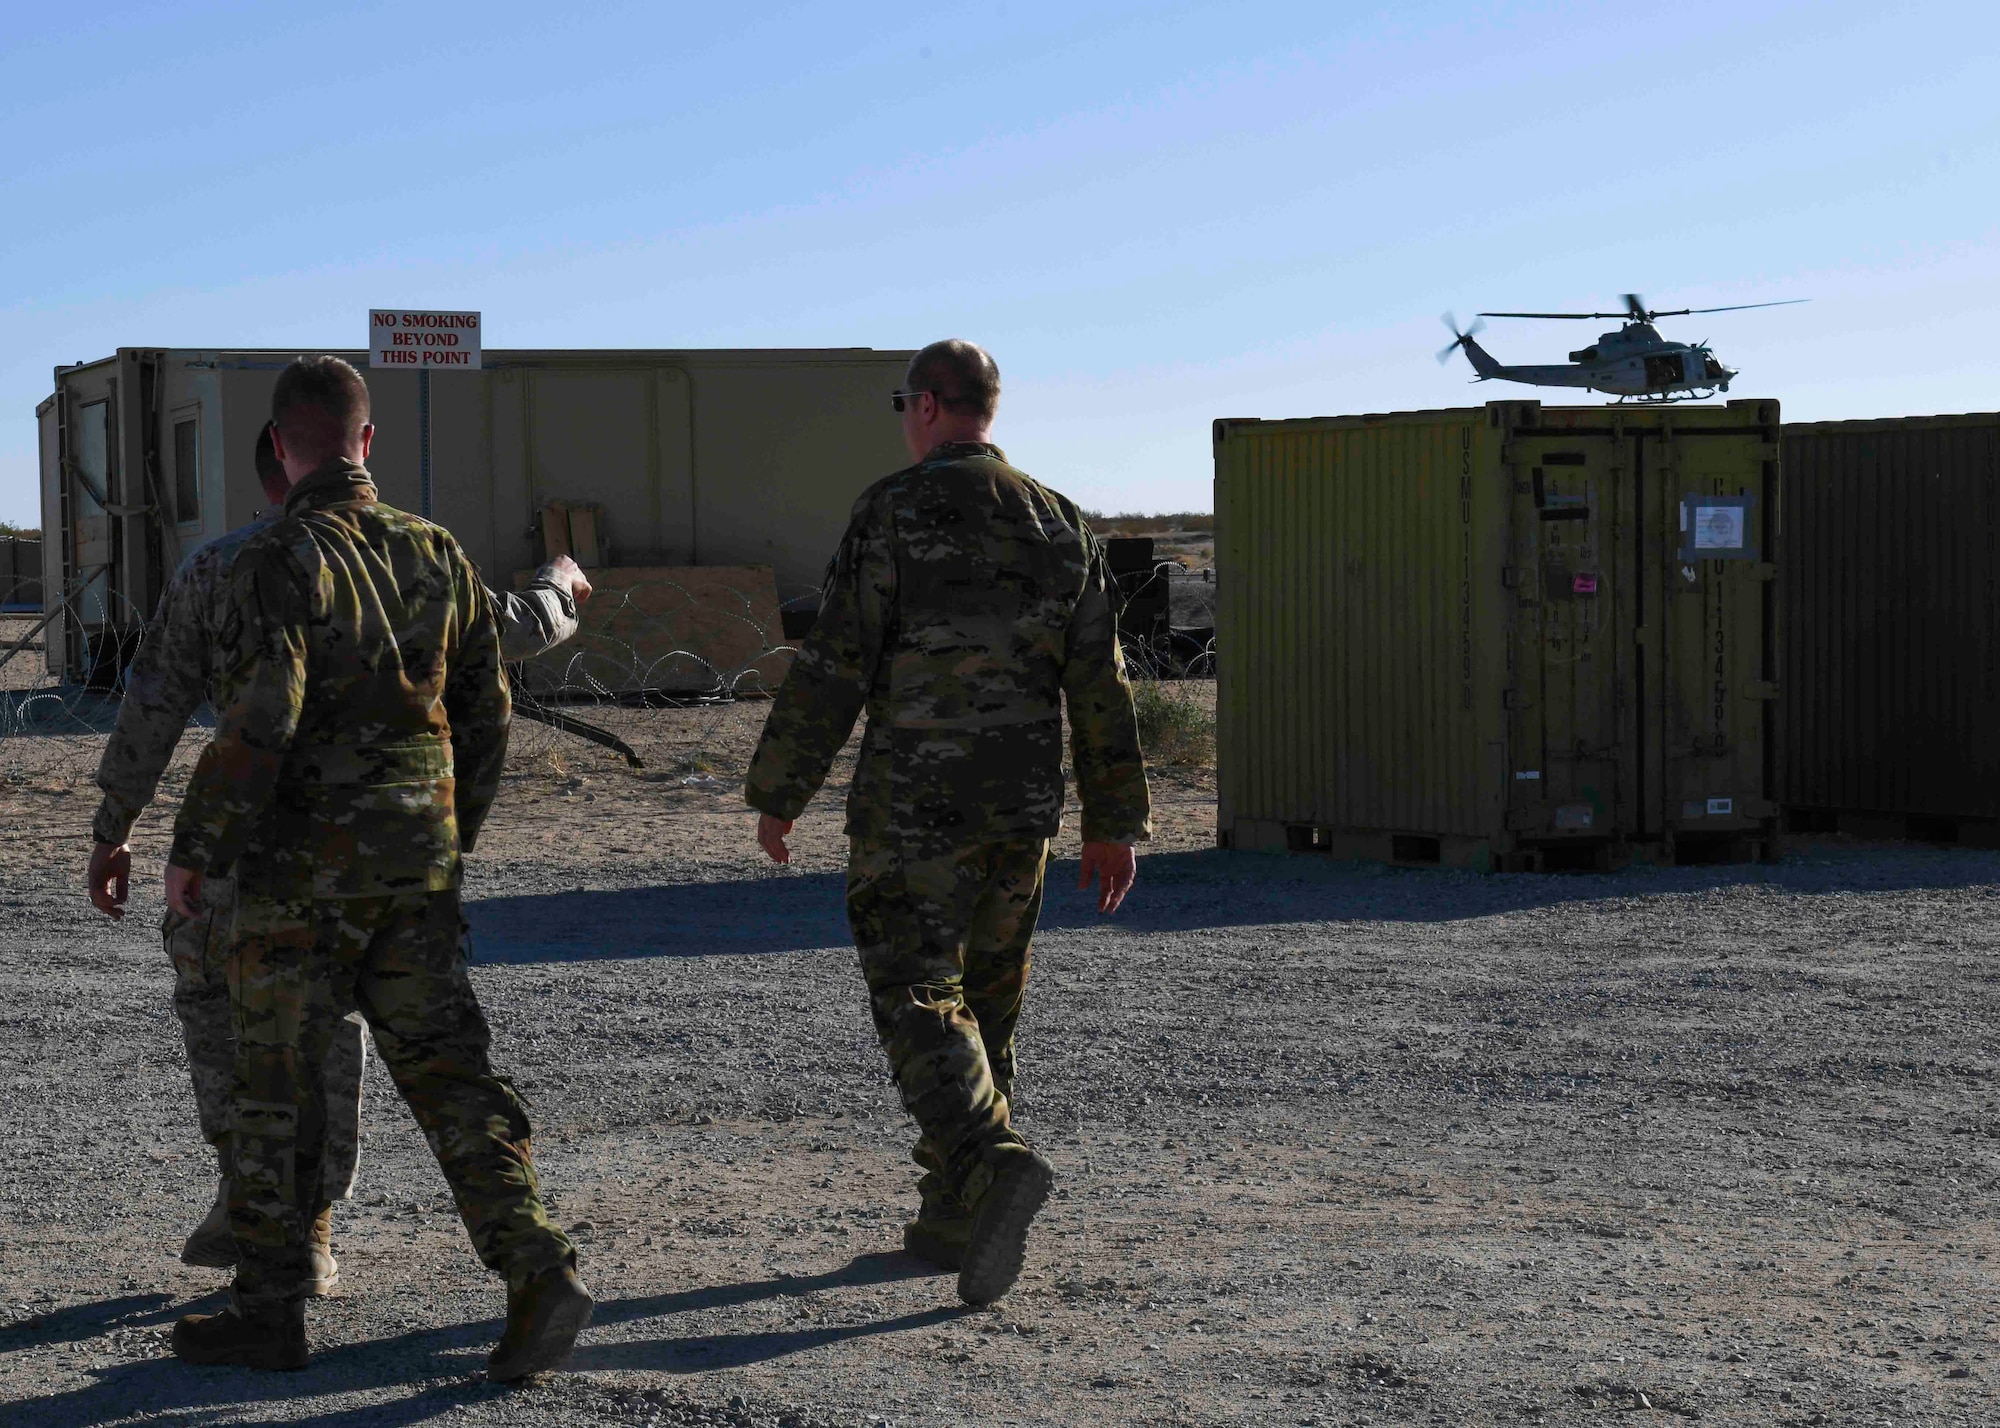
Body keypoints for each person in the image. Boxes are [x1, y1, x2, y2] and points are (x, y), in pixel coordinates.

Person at [155, 356, 587, 1377]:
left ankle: (271, 1307)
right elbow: (487, 713)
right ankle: (536, 1268)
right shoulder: (431, 550)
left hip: (296, 880)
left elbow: (258, 725)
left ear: (276, 446)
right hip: (414, 868)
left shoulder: (275, 558)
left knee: (274, 1088)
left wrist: (195, 850)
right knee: (452, 1079)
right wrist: (451, 833)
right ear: (368, 440)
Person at [744, 338, 1152, 1307]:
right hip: (1021, 813)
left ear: (929, 405)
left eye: (902, 402)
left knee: (917, 994)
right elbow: (1100, 684)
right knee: (983, 1011)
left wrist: (779, 787)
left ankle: (990, 1159)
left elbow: (836, 659)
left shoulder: (892, 511)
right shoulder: (1061, 524)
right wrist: (1113, 821)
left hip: (912, 808)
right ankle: (950, 1215)